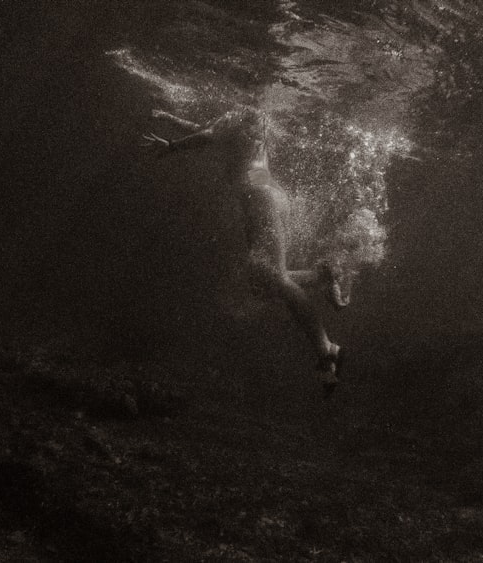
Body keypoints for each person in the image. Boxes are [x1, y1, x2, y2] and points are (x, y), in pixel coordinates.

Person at [143, 106, 347, 396]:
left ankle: (327, 349)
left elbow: (208, 134)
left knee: (276, 279)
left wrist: (174, 146)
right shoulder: (247, 117)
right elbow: (209, 129)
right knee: (262, 285)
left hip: (259, 194)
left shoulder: (238, 114)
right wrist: (169, 119)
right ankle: (321, 276)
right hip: (267, 191)